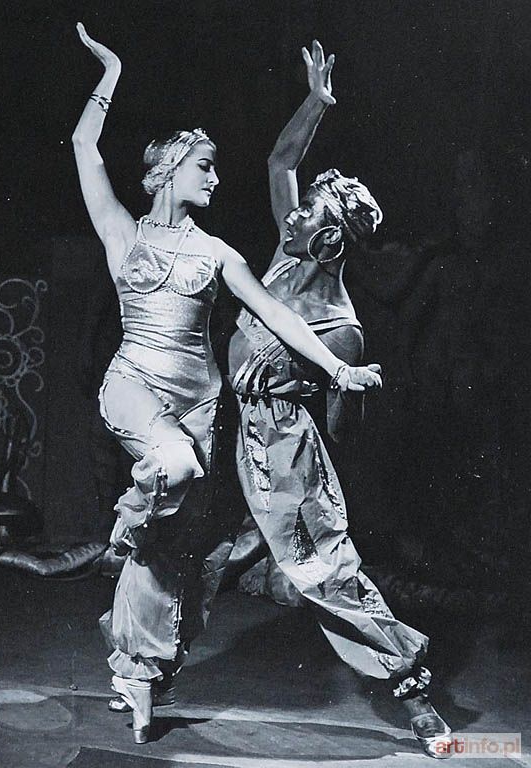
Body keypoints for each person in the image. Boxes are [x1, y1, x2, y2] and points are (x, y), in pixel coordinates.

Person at [71, 25, 382, 744]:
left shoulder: (218, 252)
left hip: (200, 407)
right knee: (171, 470)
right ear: (169, 169)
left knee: (175, 552)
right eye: (205, 167)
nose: (216, 179)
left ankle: (138, 672)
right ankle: (121, 531)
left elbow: (277, 313)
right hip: (135, 388)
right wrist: (111, 71)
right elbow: (86, 145)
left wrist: (339, 369)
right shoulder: (121, 232)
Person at [227, 41, 452, 759]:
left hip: (286, 450)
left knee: (327, 572)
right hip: (233, 431)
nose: (289, 217)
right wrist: (316, 102)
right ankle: (144, 669)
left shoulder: (342, 329)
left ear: (329, 240)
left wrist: (297, 507)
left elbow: (335, 435)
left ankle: (415, 694)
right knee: (184, 546)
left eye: (306, 217)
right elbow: (280, 163)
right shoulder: (285, 257)